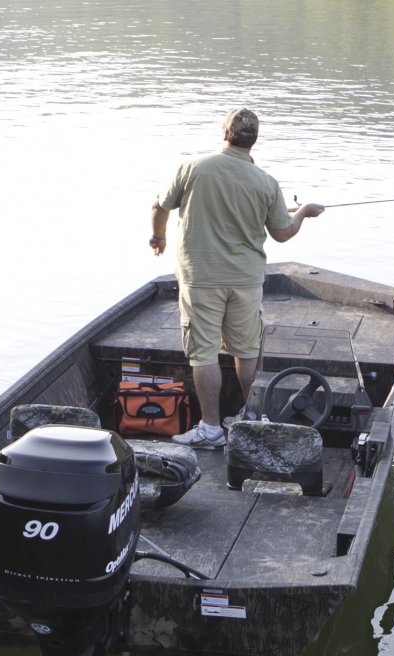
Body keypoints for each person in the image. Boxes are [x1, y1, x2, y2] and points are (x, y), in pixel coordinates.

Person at [149, 108, 325, 448]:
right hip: (245, 280)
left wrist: (159, 237)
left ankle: (211, 428)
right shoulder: (265, 182)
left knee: (204, 353)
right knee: (246, 352)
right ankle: (251, 418)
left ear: (226, 134)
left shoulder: (193, 167)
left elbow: (160, 206)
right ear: (253, 140)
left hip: (201, 278)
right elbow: (282, 233)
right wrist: (303, 212)